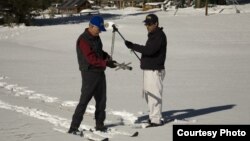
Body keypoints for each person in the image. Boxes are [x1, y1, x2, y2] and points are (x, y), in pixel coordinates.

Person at [68, 15, 117, 135]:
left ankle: (99, 125)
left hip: (100, 73)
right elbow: (91, 58)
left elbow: (98, 53)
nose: (100, 31)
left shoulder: (96, 37)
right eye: (98, 29)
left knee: (101, 101)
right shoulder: (83, 40)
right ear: (91, 26)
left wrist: (106, 57)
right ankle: (73, 127)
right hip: (89, 73)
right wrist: (105, 63)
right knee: (84, 100)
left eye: (101, 29)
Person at [124, 14, 167, 127]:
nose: (147, 26)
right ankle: (153, 117)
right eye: (146, 24)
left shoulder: (159, 36)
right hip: (149, 70)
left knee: (154, 95)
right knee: (149, 95)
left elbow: (150, 50)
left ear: (156, 24)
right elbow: (149, 51)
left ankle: (156, 120)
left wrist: (133, 46)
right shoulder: (153, 35)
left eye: (149, 24)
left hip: (155, 71)